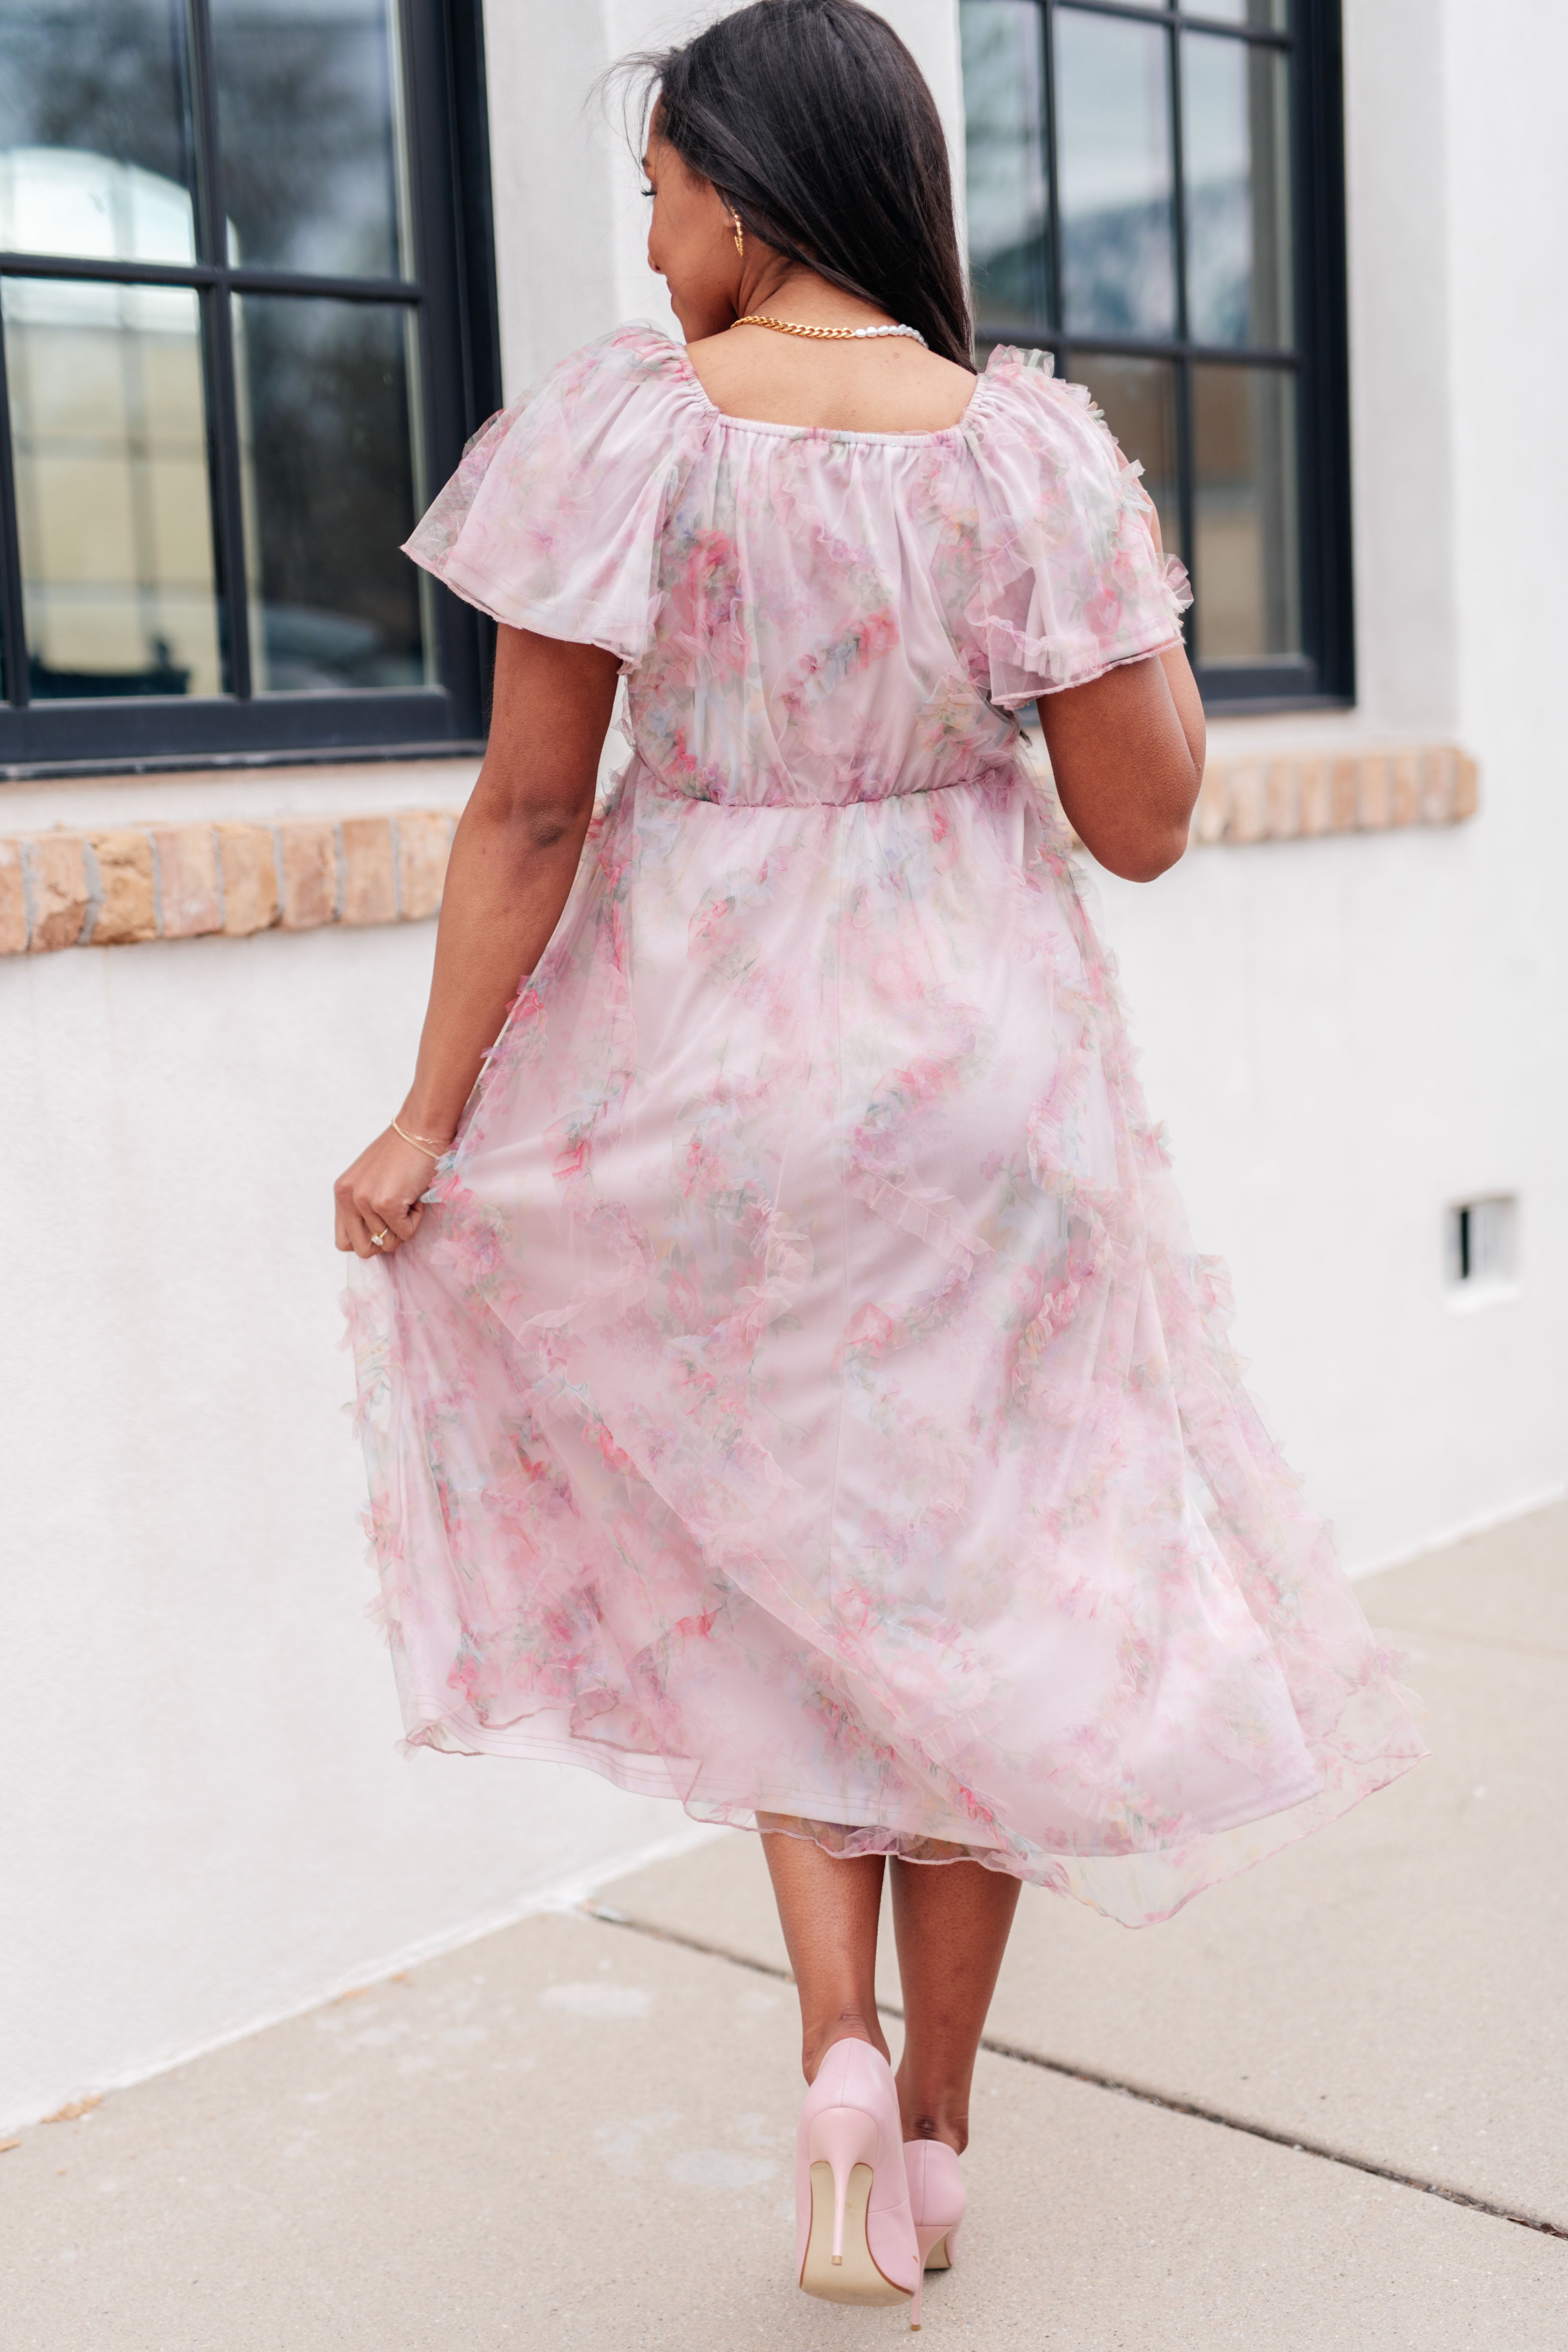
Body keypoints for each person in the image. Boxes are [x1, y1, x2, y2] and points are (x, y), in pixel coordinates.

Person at [336, 0, 1423, 2321]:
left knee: (787, 1581)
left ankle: (829, 2050)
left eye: (658, 198)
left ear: (746, 193)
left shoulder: (631, 430)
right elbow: (1142, 823)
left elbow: (527, 811)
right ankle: (932, 2118)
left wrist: (429, 1116)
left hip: (709, 1087)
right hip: (973, 1093)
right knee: (987, 1588)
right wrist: (1112, 577)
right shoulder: (1023, 450)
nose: (649, 250)